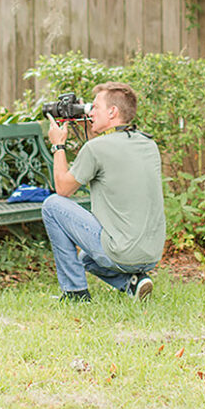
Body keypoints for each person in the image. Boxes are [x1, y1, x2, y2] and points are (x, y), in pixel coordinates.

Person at [42, 81, 166, 302]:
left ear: (112, 111)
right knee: (86, 258)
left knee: (52, 205)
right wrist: (93, 130)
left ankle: (74, 293)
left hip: (122, 253)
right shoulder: (148, 144)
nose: (91, 112)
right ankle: (132, 283)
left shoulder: (96, 149)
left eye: (95, 107)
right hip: (152, 253)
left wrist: (58, 145)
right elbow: (108, 154)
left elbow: (62, 189)